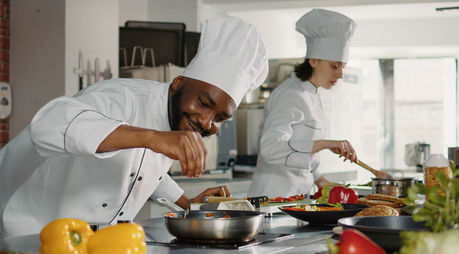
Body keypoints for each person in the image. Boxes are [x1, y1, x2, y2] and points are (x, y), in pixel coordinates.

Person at [0, 16, 268, 238]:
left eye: (219, 118)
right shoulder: (122, 97)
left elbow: (140, 169)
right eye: (203, 102)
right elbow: (47, 125)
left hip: (89, 242)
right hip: (25, 230)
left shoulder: (172, 120)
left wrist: (188, 202)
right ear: (178, 83)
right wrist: (152, 138)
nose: (206, 122)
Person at [247, 9, 358, 198]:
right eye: (335, 66)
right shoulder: (290, 95)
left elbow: (305, 160)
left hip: (295, 198)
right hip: (272, 199)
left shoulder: (312, 95)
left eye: (342, 67)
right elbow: (270, 149)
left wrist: (325, 183)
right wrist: (324, 144)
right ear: (314, 61)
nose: (340, 74)